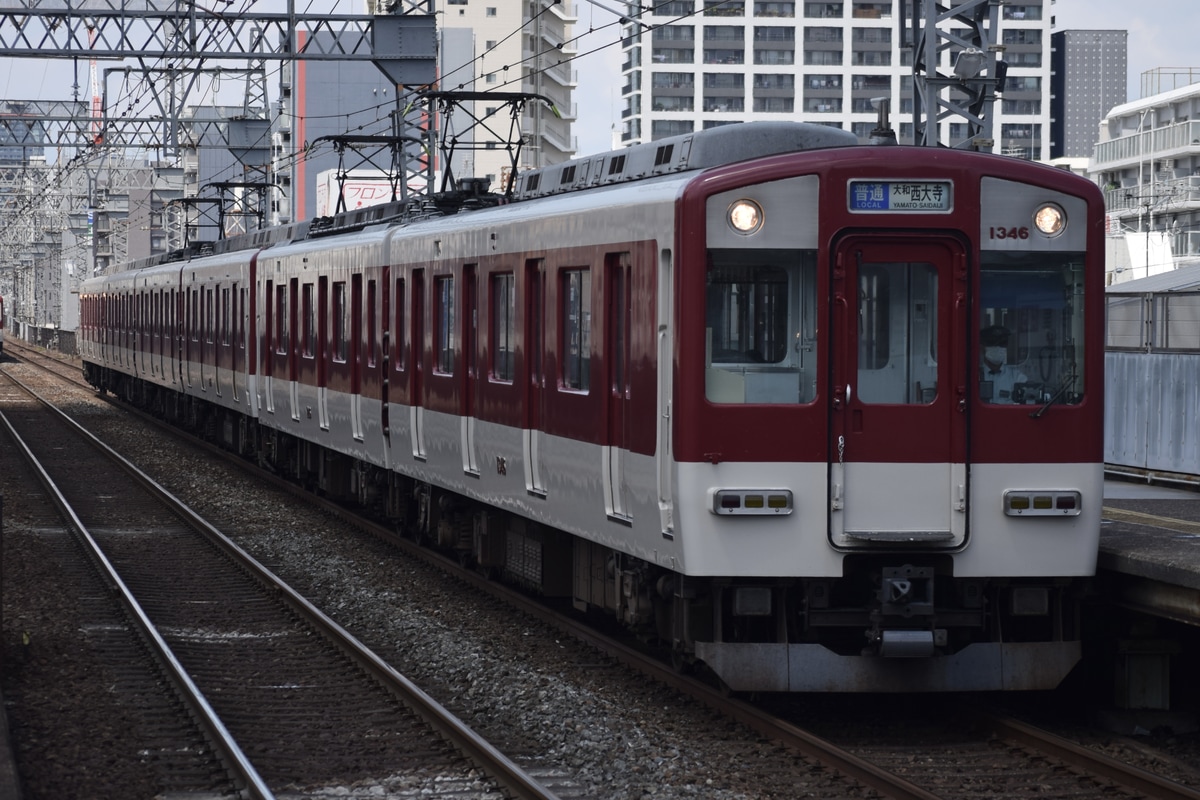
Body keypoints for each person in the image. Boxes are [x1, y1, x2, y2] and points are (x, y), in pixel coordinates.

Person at [979, 324, 1028, 404]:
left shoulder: (1017, 378)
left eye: (1002, 344)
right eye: (993, 344)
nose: (998, 348)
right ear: (982, 348)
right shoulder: (974, 376)